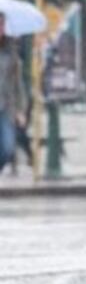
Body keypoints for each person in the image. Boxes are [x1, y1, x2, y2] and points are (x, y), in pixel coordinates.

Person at [0, 13, 27, 174]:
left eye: (2, 25)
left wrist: (21, 110)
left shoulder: (11, 53)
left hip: (6, 107)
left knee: (8, 147)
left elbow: (18, 84)